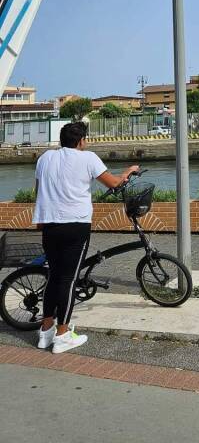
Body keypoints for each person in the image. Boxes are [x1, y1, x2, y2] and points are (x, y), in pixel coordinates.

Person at [33, 122, 139, 354]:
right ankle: (62, 335)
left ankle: (46, 330)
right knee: (69, 279)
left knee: (54, 276)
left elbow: (38, 190)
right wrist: (127, 172)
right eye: (86, 139)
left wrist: (40, 218)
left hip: (50, 225)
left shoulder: (44, 159)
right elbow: (112, 183)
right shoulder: (88, 158)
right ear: (81, 141)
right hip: (76, 225)